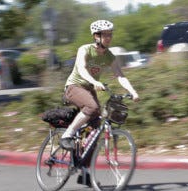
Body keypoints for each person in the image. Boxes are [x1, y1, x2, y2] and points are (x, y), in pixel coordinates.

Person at [59, 20, 139, 150]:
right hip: (74, 86)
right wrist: (95, 82)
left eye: (110, 34)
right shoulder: (85, 49)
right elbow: (81, 68)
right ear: (96, 36)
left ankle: (83, 164)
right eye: (105, 35)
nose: (109, 38)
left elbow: (120, 75)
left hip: (89, 89)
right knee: (93, 107)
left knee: (95, 127)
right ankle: (67, 135)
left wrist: (133, 91)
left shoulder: (109, 56)